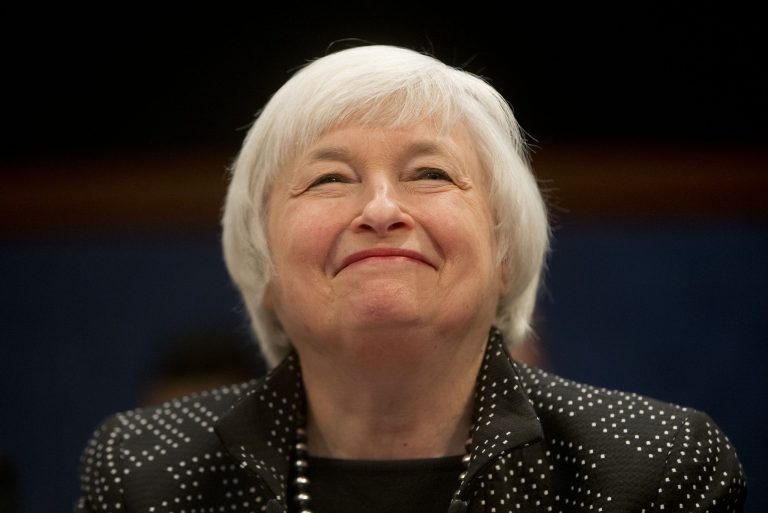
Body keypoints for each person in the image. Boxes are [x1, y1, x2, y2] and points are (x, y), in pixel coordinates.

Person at [74, 44, 746, 513]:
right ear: (263, 265)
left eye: (429, 173)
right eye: (329, 178)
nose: (380, 209)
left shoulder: (653, 467)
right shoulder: (145, 473)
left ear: (504, 252)